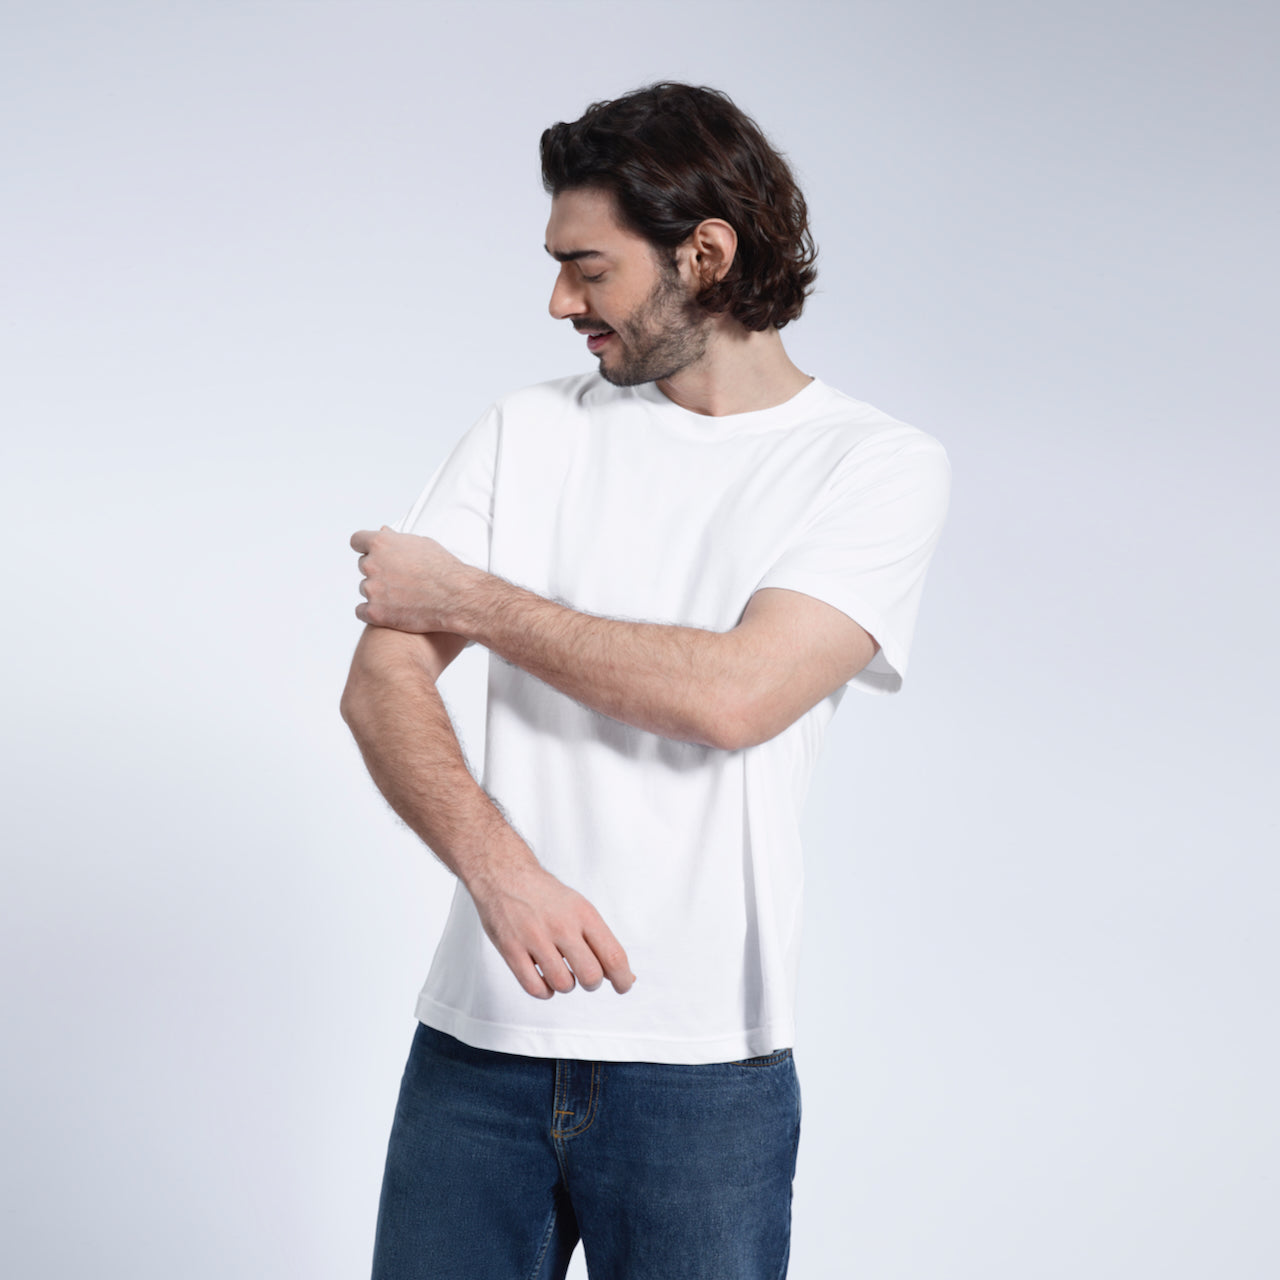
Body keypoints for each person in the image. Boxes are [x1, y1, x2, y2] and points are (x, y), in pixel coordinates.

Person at [342, 81, 950, 1280]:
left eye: (589, 268)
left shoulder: (871, 467)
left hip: (701, 1070)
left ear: (705, 254)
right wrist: (499, 872)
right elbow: (378, 684)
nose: (559, 300)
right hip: (475, 1048)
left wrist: (465, 595)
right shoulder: (527, 428)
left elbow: (734, 696)